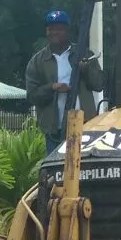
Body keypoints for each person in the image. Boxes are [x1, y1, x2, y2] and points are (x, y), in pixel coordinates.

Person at [26, 9, 105, 154]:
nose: (54, 32)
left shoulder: (84, 54)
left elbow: (99, 84)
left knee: (86, 169)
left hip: (85, 125)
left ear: (67, 30)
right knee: (56, 171)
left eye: (59, 29)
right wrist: (52, 87)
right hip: (55, 131)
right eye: (50, 29)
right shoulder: (37, 61)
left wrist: (86, 70)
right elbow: (32, 96)